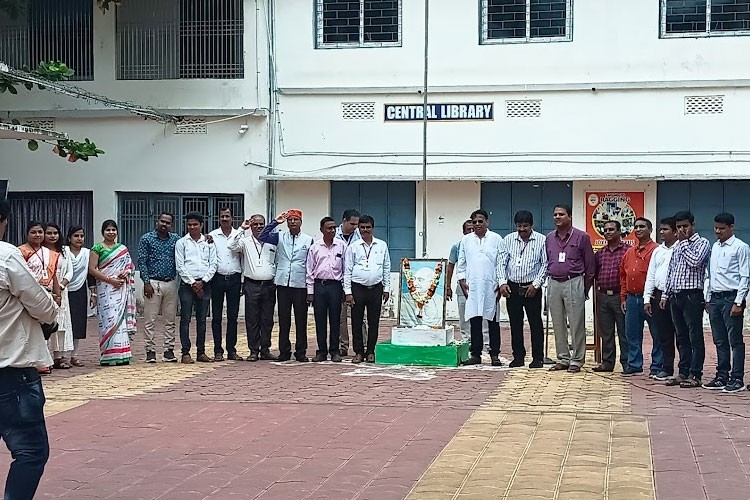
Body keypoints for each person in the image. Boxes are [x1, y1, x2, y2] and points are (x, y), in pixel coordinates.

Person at [0, 197, 59, 500]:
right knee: (30, 452)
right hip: (11, 372)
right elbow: (44, 307)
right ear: (4, 221)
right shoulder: (6, 256)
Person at [660, 211, 710, 388]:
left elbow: (695, 262)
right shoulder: (677, 246)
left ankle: (695, 375)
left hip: (692, 295)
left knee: (694, 335)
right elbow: (671, 271)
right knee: (681, 337)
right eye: (679, 227)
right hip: (676, 296)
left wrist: (684, 243)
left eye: (685, 226)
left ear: (692, 226)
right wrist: (666, 294)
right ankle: (683, 372)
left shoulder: (702, 243)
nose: (682, 230)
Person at [702, 212, 749, 393]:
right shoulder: (716, 246)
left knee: (735, 340)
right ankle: (722, 375)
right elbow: (711, 275)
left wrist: (739, 301)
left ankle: (737, 378)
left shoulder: (740, 247)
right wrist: (708, 297)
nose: (717, 231)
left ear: (731, 227)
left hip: (732, 297)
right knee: (719, 340)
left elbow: (745, 276)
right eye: (716, 228)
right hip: (715, 298)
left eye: (722, 228)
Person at [545, 204, 595, 373]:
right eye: (555, 214)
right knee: (557, 322)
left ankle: (577, 360)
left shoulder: (582, 237)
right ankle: (563, 358)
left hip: (574, 281)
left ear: (570, 217)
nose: (557, 217)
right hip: (553, 282)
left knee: (576, 323)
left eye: (561, 214)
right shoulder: (549, 237)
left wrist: (585, 288)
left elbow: (590, 265)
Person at [259, 209, 313, 362]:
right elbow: (262, 236)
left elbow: (310, 264)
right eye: (290, 219)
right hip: (283, 283)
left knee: (301, 320)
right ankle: (284, 351)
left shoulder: (308, 240)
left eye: (296, 219)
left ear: (301, 222)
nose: (292, 222)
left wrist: (310, 288)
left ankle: (301, 352)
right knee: (284, 320)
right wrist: (275, 222)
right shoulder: (280, 236)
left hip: (300, 284)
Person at [497, 210, 547, 368]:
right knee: (515, 324)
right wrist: (502, 283)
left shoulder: (542, 240)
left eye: (525, 226)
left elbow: (545, 264)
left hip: (532, 287)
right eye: (519, 226)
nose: (522, 229)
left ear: (532, 225)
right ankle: (518, 357)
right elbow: (501, 263)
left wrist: (536, 284)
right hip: (512, 288)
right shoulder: (508, 240)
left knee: (535, 323)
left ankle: (537, 358)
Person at [456, 209, 503, 366]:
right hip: (473, 285)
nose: (477, 224)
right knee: (475, 320)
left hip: (492, 285)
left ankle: (494, 354)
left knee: (493, 321)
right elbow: (461, 262)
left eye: (480, 221)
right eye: (474, 221)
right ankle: (476, 354)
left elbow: (501, 263)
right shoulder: (466, 240)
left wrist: (501, 283)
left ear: (487, 222)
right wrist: (462, 280)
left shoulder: (496, 239)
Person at [228, 214, 277, 361]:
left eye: (261, 224)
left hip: (269, 285)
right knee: (252, 319)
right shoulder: (245, 241)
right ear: (251, 226)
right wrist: (241, 228)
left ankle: (265, 349)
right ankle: (253, 350)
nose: (258, 227)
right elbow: (231, 245)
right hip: (252, 285)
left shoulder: (272, 242)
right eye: (255, 224)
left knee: (267, 319)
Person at [88, 220, 136, 366]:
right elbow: (92, 269)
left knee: (120, 319)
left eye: (113, 230)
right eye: (108, 230)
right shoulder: (97, 248)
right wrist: (110, 280)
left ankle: (123, 354)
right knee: (108, 319)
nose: (111, 232)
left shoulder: (122, 248)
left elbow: (130, 266)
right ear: (103, 232)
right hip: (105, 288)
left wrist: (125, 272)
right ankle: (108, 355)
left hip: (121, 287)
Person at [344, 215, 391, 364]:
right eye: (362, 227)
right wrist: (348, 292)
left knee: (374, 321)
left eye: (368, 227)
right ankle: (358, 352)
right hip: (357, 288)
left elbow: (386, 267)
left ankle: (370, 351)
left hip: (376, 288)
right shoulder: (353, 246)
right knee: (357, 321)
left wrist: (387, 288)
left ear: (373, 228)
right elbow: (347, 270)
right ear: (358, 229)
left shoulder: (381, 245)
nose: (365, 230)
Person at [18, 221, 60, 375]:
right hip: (29, 295)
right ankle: (31, 362)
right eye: (33, 232)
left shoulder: (49, 253)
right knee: (30, 328)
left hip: (47, 292)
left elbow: (54, 275)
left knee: (46, 327)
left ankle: (43, 360)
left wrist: (58, 294)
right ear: (27, 234)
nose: (37, 235)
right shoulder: (21, 252)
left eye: (40, 232)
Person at [620, 218, 661, 377]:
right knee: (632, 333)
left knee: (657, 333)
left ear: (650, 230)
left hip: (650, 299)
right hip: (632, 299)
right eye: (636, 227)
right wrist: (623, 298)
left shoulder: (657, 250)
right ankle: (634, 364)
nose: (638, 229)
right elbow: (623, 275)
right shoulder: (629, 252)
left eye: (642, 226)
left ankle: (657, 365)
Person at [175, 212, 218, 364]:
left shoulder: (209, 242)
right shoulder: (181, 243)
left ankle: (201, 352)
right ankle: (185, 352)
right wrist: (193, 283)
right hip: (187, 286)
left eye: (195, 224)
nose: (192, 227)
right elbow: (180, 265)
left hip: (205, 285)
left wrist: (203, 282)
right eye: (189, 225)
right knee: (185, 319)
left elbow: (213, 264)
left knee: (202, 320)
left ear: (202, 225)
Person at [138, 212, 180, 363]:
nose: (164, 224)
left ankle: (169, 350)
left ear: (172, 225)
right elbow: (142, 261)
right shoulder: (147, 239)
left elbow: (188, 245)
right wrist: (146, 282)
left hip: (171, 282)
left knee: (170, 319)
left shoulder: (176, 239)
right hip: (153, 284)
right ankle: (150, 351)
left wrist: (207, 237)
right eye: (162, 221)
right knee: (150, 319)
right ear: (157, 221)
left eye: (168, 223)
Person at [306, 217, 346, 362]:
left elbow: (346, 269)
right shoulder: (315, 247)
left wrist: (345, 290)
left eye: (334, 228)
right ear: (322, 229)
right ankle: (321, 351)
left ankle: (335, 351)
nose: (332, 231)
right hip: (319, 286)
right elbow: (309, 270)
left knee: (335, 320)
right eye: (329, 228)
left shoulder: (342, 246)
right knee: (320, 320)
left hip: (335, 286)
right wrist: (310, 292)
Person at [644, 217, 678, 381]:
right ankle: (667, 368)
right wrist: (647, 298)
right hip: (658, 295)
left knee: (682, 334)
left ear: (675, 231)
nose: (662, 233)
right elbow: (651, 276)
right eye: (661, 230)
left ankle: (686, 370)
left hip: (676, 295)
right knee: (663, 334)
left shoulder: (681, 249)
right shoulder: (658, 250)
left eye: (665, 229)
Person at [591, 220, 628, 374]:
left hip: (620, 296)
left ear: (619, 232)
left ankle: (627, 363)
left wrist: (624, 297)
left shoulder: (628, 251)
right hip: (603, 296)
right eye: (605, 230)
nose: (608, 232)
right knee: (606, 332)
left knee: (623, 331)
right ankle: (607, 363)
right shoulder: (600, 253)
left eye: (612, 229)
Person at [208, 207, 243, 361]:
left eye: (227, 216)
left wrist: (242, 281)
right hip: (217, 278)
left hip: (234, 278)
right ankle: (218, 351)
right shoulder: (212, 236)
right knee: (216, 317)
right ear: (218, 218)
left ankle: (231, 350)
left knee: (232, 317)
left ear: (232, 218)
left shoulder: (239, 235)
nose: (224, 218)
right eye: (222, 216)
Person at [43, 223, 74, 370]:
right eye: (49, 233)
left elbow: (69, 271)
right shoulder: (40, 252)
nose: (52, 236)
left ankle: (60, 357)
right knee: (47, 323)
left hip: (62, 290)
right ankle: (45, 358)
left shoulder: (65, 251)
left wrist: (60, 286)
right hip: (44, 291)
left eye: (55, 233)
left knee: (61, 324)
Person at [65, 226, 95, 367]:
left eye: (82, 236)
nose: (79, 239)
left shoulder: (87, 253)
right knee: (64, 323)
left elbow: (90, 274)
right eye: (76, 236)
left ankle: (74, 355)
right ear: (69, 237)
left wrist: (93, 293)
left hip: (80, 291)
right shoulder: (63, 252)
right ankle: (61, 355)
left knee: (77, 324)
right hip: (64, 290)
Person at [336, 208, 363, 356]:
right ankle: (343, 346)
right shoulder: (334, 235)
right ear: (344, 221)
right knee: (341, 317)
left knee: (360, 317)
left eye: (357, 224)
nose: (355, 227)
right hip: (339, 281)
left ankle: (363, 345)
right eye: (352, 224)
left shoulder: (360, 236)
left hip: (356, 282)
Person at [447, 220, 474, 340]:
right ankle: (466, 340)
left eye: (473, 229)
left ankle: (483, 343)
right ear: (463, 231)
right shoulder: (457, 246)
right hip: (462, 286)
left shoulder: (482, 245)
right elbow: (451, 266)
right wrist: (448, 286)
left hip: (479, 285)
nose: (471, 231)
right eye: (469, 229)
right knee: (464, 316)